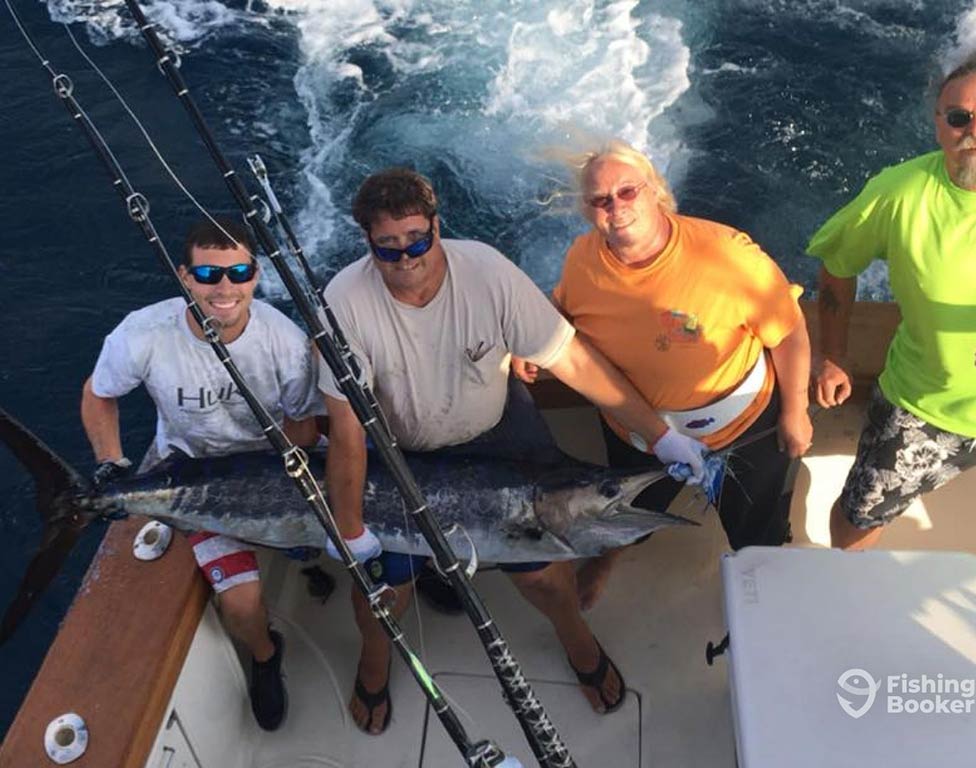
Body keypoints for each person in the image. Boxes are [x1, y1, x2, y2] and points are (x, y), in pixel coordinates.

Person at [320, 167, 710, 734]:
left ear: (436, 226)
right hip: (399, 452)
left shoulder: (486, 270)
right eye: (388, 248)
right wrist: (350, 528)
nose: (406, 259)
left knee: (546, 579)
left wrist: (661, 435)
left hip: (497, 430)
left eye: (417, 241)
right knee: (380, 593)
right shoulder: (344, 302)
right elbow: (349, 429)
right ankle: (375, 663)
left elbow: (572, 361)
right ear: (368, 244)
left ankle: (578, 643)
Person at [517, 139, 813, 610]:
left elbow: (789, 331)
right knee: (630, 510)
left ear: (655, 190)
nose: (616, 207)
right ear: (588, 210)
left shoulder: (727, 254)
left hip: (744, 429)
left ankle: (762, 580)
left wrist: (796, 411)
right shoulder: (582, 260)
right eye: (601, 200)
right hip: (637, 432)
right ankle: (615, 554)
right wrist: (534, 343)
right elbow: (565, 309)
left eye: (628, 191)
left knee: (758, 527)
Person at [81, 217, 322, 731]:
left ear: (256, 276)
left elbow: (303, 425)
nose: (225, 288)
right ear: (184, 276)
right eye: (209, 274)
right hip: (191, 477)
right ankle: (264, 656)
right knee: (240, 604)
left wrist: (291, 507)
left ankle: (300, 545)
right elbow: (98, 394)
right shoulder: (144, 334)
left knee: (348, 528)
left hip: (273, 470)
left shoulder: (285, 339)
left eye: (238, 271)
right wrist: (111, 465)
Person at [808, 48, 976, 550]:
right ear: (939, 127)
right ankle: (848, 589)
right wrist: (834, 356)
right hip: (921, 403)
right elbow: (837, 266)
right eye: (958, 117)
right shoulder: (898, 192)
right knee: (859, 512)